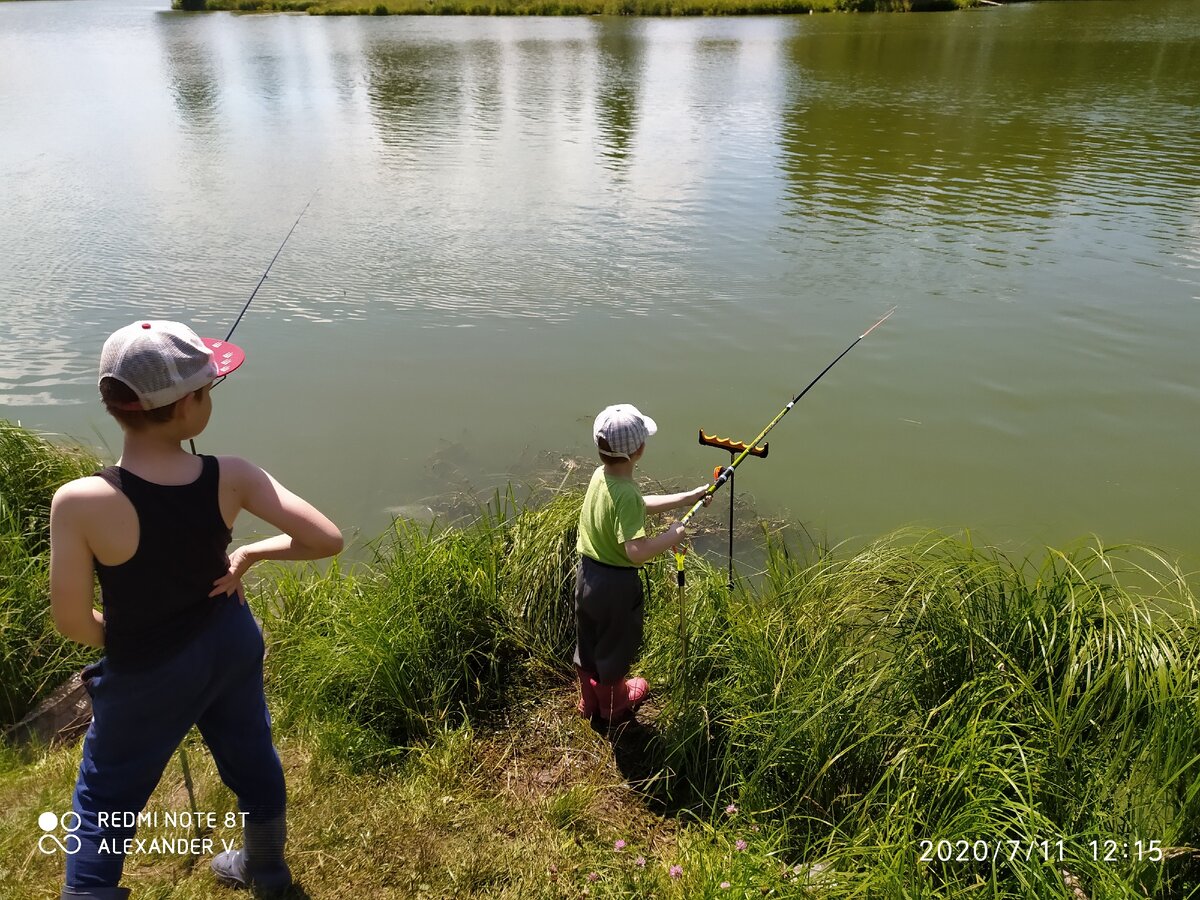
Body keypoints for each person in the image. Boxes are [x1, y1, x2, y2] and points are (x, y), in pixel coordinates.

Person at [49, 320, 343, 899]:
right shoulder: (230, 476)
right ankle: (267, 872)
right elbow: (324, 539)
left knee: (105, 802)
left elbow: (73, 623)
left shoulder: (80, 502)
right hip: (229, 643)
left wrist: (125, 635)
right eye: (208, 392)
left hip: (143, 670)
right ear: (189, 407)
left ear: (116, 406)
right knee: (252, 758)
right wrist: (252, 552)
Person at [574, 404, 711, 727]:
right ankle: (615, 707)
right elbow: (636, 551)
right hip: (616, 586)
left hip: (587, 575)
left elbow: (635, 505)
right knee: (616, 645)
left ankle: (589, 701)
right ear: (639, 450)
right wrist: (671, 535)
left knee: (589, 642)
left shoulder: (602, 477)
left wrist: (685, 497)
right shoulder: (626, 494)